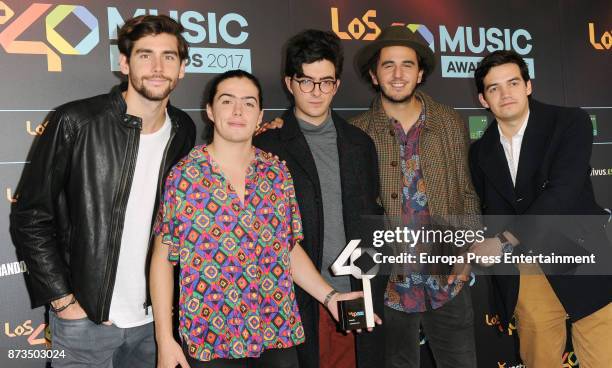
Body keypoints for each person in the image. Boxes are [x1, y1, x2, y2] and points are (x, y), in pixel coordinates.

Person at [151, 69, 372, 368]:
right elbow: (163, 260)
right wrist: (164, 339)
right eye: (227, 101)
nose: (238, 111)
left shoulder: (276, 172)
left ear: (260, 116)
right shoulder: (185, 176)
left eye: (249, 103)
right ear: (210, 111)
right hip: (210, 336)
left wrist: (330, 296)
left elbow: (287, 248)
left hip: (274, 332)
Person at [9, 15, 196, 368]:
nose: (157, 67)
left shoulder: (183, 129)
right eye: (145, 55)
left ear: (182, 67)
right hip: (87, 323)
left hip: (154, 323)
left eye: (169, 57)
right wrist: (65, 302)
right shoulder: (76, 122)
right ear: (124, 63)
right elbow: (30, 216)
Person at [469, 50, 612, 368]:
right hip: (526, 271)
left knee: (603, 357)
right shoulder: (480, 152)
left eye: (513, 83)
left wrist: (504, 240)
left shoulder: (569, 122)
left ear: (528, 86)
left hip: (580, 257)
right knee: (539, 360)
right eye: (494, 88)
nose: (506, 94)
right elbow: (490, 209)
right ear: (482, 99)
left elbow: (562, 193)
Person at [253, 29, 386, 368]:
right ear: (289, 82)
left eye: (325, 82)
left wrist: (372, 293)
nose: (316, 92)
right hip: (293, 301)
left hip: (353, 293)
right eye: (306, 81)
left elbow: (372, 222)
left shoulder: (360, 144)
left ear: (337, 85)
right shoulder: (268, 146)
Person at [350, 25, 480, 368]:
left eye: (407, 64)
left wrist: (468, 249)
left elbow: (467, 192)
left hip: (447, 278)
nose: (397, 74)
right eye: (387, 65)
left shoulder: (450, 123)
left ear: (420, 72)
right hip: (390, 286)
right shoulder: (356, 133)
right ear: (374, 75)